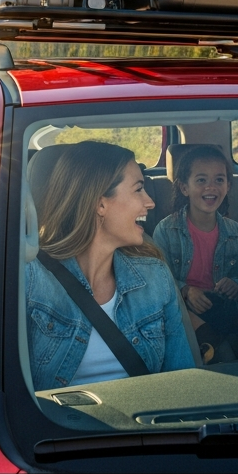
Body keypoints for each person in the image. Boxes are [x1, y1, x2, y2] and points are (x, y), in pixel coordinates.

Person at [26, 141, 196, 391]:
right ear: (100, 204)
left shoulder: (155, 276)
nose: (150, 202)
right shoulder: (30, 278)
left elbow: (184, 384)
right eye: (138, 190)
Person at [152, 144, 238, 360]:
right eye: (201, 180)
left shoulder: (235, 233)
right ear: (184, 187)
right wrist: (187, 290)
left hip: (225, 309)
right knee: (222, 355)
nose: (211, 187)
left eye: (219, 180)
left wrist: (236, 284)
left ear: (228, 185)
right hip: (184, 312)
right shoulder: (166, 230)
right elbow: (160, 283)